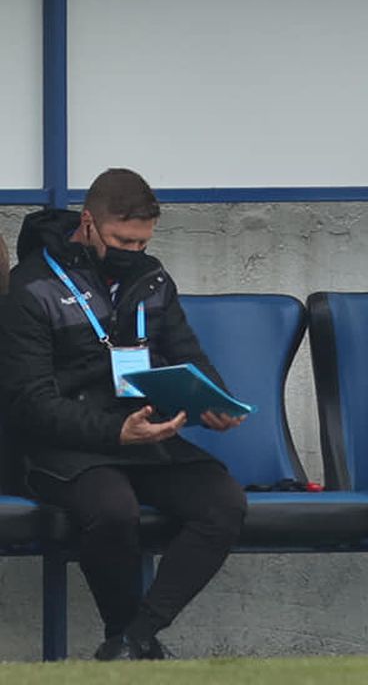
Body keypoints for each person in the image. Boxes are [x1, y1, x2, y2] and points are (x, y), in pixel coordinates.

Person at [0, 169, 248, 660]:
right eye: (121, 240)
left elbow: (187, 355)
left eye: (141, 242)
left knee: (224, 503)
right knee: (113, 510)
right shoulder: (32, 286)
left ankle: (135, 638)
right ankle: (127, 635)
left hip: (143, 435)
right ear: (88, 223)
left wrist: (213, 400)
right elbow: (30, 404)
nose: (132, 252)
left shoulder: (152, 278)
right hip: (62, 446)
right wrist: (115, 430)